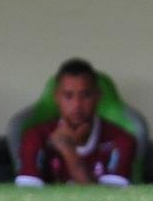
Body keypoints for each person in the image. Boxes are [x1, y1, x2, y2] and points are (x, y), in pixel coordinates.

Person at [16, 58, 137, 187]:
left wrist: (68, 150)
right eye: (68, 96)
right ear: (57, 98)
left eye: (86, 95)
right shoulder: (35, 137)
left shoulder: (120, 140)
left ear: (97, 96)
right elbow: (27, 194)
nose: (77, 105)